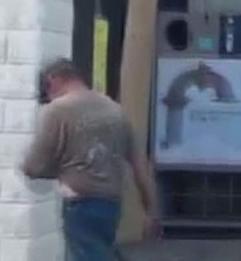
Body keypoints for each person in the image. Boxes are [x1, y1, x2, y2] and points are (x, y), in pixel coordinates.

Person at [20, 58, 159, 261]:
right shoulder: (114, 109)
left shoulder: (58, 110)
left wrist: (57, 171)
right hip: (111, 204)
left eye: (47, 88)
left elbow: (34, 166)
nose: (48, 96)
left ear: (54, 79)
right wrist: (151, 211)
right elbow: (140, 166)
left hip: (80, 202)